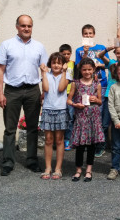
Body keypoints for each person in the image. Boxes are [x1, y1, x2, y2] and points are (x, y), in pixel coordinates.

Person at [0, 14, 49, 176]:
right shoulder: (7, 45)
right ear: (17, 27)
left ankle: (32, 160)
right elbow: (0, 69)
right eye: (23, 25)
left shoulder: (39, 47)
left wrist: (44, 92)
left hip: (33, 90)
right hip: (12, 91)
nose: (26, 28)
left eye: (29, 26)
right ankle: (8, 161)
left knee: (33, 128)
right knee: (10, 129)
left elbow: (45, 71)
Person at [74, 24, 109, 157]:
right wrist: (86, 54)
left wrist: (100, 65)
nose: (88, 36)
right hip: (86, 86)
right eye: (85, 34)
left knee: (99, 116)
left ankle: (100, 144)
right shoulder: (79, 50)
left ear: (94, 34)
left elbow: (109, 63)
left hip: (101, 84)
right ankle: (87, 142)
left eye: (90, 33)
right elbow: (78, 67)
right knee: (87, 115)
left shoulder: (100, 47)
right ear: (82, 35)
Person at [67, 58, 104, 182]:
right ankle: (78, 170)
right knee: (80, 145)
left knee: (92, 145)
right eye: (84, 70)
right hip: (81, 118)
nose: (87, 72)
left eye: (89, 69)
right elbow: (69, 100)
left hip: (93, 118)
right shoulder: (75, 83)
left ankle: (89, 170)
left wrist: (95, 99)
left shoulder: (96, 84)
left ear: (93, 69)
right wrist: (75, 105)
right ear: (80, 70)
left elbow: (100, 101)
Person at [96, 45, 120, 158]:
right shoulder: (111, 63)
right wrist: (108, 48)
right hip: (109, 96)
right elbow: (100, 55)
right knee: (104, 123)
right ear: (115, 54)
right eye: (118, 53)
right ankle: (101, 146)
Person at [39, 52, 69, 180]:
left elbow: (62, 88)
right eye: (54, 62)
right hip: (48, 109)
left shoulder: (67, 74)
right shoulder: (47, 75)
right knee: (48, 140)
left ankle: (58, 168)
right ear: (50, 64)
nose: (56, 65)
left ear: (63, 65)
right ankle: (48, 168)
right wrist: (43, 73)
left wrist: (64, 72)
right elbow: (45, 88)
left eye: (59, 63)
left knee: (59, 140)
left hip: (61, 110)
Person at [59, 44, 75, 151]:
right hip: (60, 95)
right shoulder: (57, 64)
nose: (66, 55)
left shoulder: (73, 64)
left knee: (71, 118)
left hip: (71, 94)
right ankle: (59, 140)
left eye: (68, 53)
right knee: (61, 118)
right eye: (63, 54)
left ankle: (68, 139)